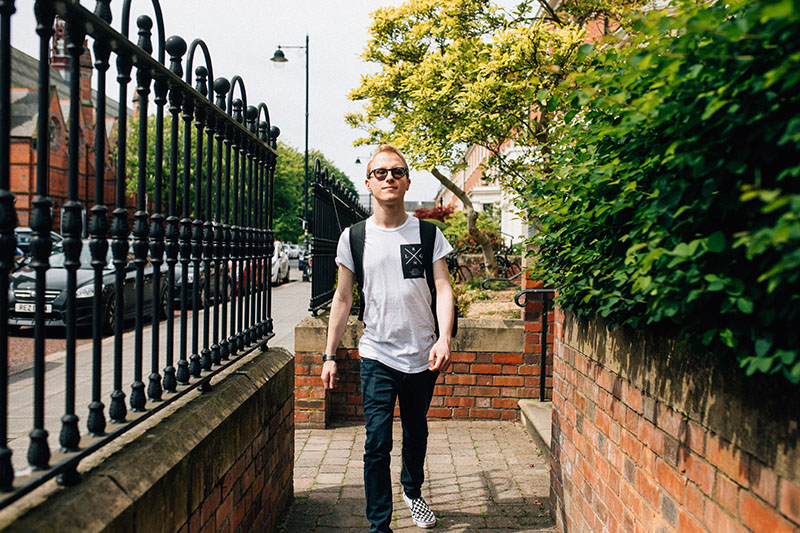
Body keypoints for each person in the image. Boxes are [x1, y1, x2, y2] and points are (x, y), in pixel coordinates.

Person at [321, 145, 454, 532]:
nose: (389, 178)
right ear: (369, 183)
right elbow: (343, 298)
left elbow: (443, 288)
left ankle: (412, 491)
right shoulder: (354, 237)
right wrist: (329, 354)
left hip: (422, 353)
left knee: (416, 430)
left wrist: (444, 337)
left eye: (396, 172)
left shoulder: (428, 234)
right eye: (380, 173)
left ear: (407, 181)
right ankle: (379, 526)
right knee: (376, 443)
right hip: (376, 353)